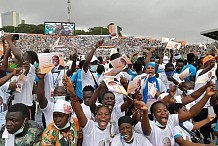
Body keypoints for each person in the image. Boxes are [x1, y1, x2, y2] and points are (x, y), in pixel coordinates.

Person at [134, 83, 216, 146]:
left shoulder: (171, 120)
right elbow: (146, 129)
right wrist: (145, 112)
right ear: (154, 115)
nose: (163, 113)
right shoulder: (151, 126)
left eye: (165, 110)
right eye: (159, 111)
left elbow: (191, 112)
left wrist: (207, 95)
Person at [63, 76, 114, 146]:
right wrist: (72, 92)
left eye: (106, 114)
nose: (103, 116)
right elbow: (78, 110)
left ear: (110, 117)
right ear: (95, 116)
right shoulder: (89, 127)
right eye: (100, 114)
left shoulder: (111, 128)